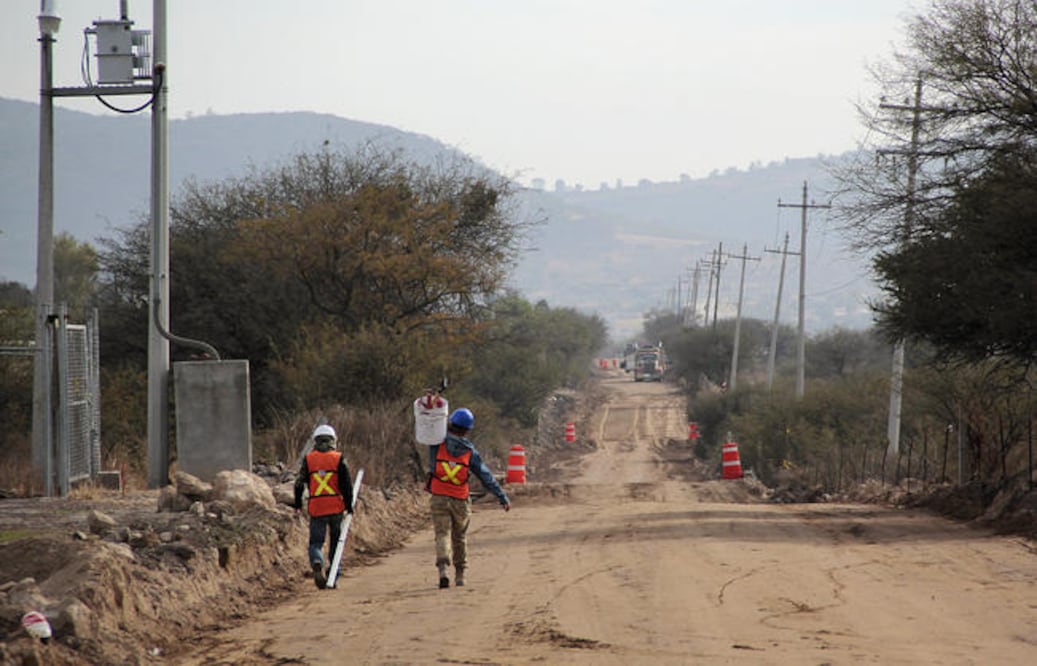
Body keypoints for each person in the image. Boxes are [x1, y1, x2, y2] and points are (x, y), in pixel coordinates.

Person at [427, 407, 510, 589]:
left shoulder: (436, 443)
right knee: (460, 537)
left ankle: (442, 570)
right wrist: (501, 496)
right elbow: (485, 476)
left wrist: (432, 404)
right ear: (467, 430)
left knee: (442, 534)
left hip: (439, 495)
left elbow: (427, 426)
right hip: (460, 499)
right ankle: (460, 575)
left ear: (451, 424)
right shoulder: (469, 451)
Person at [293, 424, 354, 590]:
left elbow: (298, 484)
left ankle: (317, 560)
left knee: (316, 543)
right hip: (335, 507)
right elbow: (347, 485)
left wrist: (297, 504)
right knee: (336, 544)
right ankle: (333, 576)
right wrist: (349, 506)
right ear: (333, 440)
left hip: (316, 507)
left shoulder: (308, 459)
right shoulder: (338, 458)